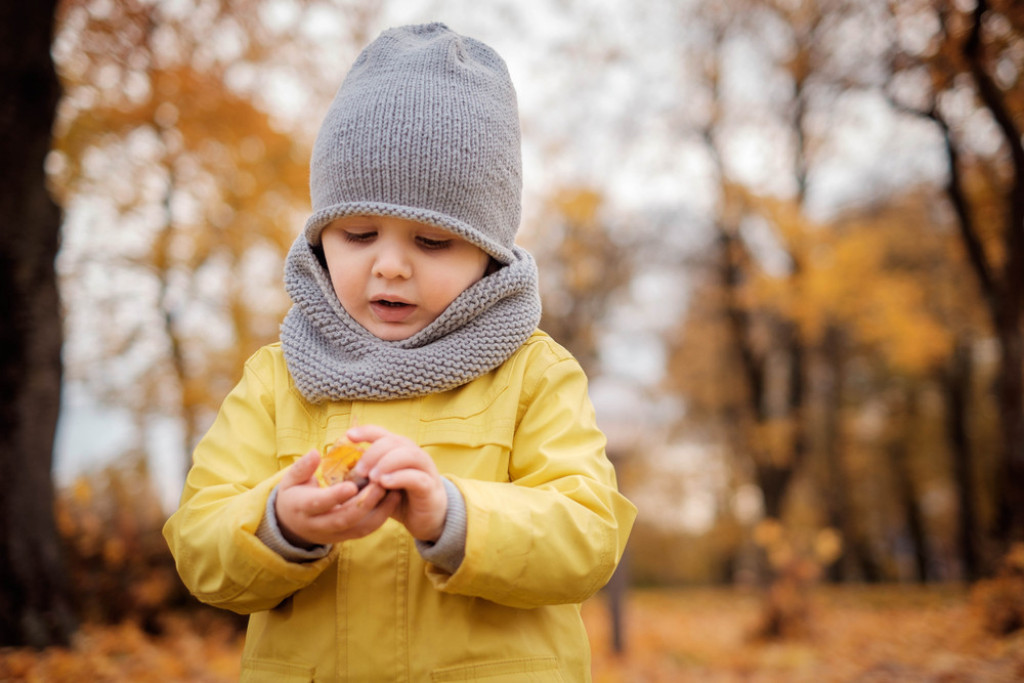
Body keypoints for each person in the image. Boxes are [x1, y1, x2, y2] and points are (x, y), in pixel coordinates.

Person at [163, 22, 636, 682]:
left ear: (488, 254)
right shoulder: (277, 379)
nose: (390, 266)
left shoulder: (532, 374)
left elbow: (587, 535)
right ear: (321, 238)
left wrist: (453, 514)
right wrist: (278, 524)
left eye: (432, 242)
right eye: (359, 234)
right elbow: (198, 542)